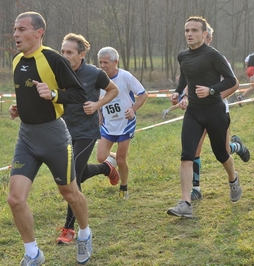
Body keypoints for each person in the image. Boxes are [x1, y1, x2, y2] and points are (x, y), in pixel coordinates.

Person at [8, 11, 92, 265]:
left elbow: (79, 93)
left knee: (69, 193)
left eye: (22, 29)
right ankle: (33, 253)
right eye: (15, 29)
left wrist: (54, 94)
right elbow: (27, 94)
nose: (16, 34)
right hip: (27, 137)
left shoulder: (54, 59)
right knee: (15, 199)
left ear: (38, 32)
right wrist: (19, 108)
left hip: (54, 136)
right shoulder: (16, 61)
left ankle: (85, 234)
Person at [166, 16, 241, 218]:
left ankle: (233, 179)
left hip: (214, 112)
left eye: (194, 30)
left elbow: (232, 81)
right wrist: (177, 92)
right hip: (193, 112)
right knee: (186, 155)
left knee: (221, 154)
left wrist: (211, 90)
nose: (190, 34)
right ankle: (185, 203)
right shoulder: (182, 56)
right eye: (187, 30)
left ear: (204, 34)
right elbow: (185, 78)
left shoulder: (213, 55)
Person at [56, 33, 120, 244]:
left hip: (86, 132)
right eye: (63, 51)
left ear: (81, 54)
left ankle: (69, 228)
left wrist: (96, 105)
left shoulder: (94, 73)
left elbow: (113, 90)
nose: (65, 56)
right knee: (78, 174)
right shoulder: (58, 72)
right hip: (63, 130)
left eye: (70, 52)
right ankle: (105, 168)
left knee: (72, 176)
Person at [189, 24, 250, 201]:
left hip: (217, 110)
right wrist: (184, 96)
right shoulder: (191, 59)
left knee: (222, 152)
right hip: (197, 111)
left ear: (208, 38)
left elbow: (234, 84)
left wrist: (214, 96)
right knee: (195, 148)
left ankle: (236, 148)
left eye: (203, 38)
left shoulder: (218, 58)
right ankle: (196, 189)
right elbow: (188, 84)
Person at [97, 46, 148, 200]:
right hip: (108, 123)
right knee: (101, 157)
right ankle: (112, 161)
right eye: (100, 62)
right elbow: (98, 99)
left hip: (126, 123)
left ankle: (124, 187)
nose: (103, 66)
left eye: (106, 62)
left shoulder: (125, 76)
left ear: (115, 62)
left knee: (121, 160)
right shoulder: (98, 78)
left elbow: (143, 94)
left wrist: (133, 109)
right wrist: (99, 114)